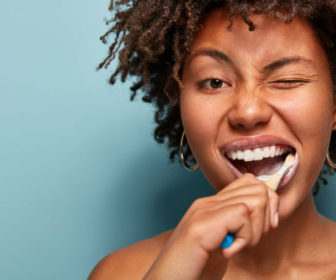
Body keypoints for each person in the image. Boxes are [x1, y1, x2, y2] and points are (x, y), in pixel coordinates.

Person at [89, 1, 336, 279]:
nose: (248, 111)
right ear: (179, 102)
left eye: (287, 79)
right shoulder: (122, 273)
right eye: (214, 82)